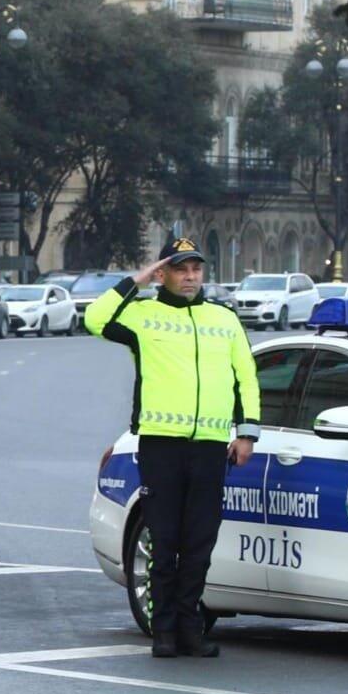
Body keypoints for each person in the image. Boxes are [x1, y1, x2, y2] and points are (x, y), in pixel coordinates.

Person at [85, 237, 260, 658]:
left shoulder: (224, 318)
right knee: (164, 541)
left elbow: (246, 375)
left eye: (196, 269)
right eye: (180, 269)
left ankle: (190, 629)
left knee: (200, 542)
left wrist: (247, 433)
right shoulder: (143, 316)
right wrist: (139, 279)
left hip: (211, 447)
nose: (190, 277)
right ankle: (162, 630)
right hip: (161, 445)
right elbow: (94, 318)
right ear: (163, 273)